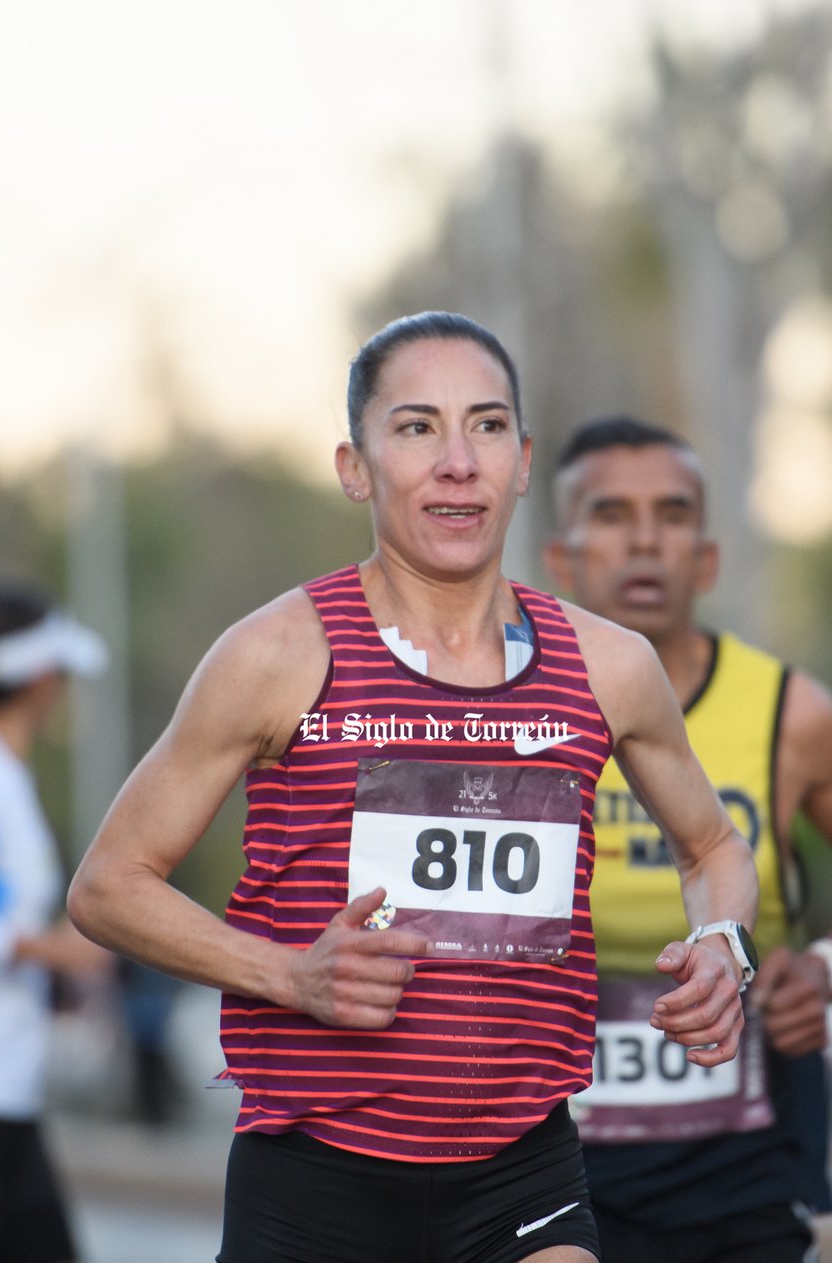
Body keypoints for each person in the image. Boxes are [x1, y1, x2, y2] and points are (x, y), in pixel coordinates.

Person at [69, 312, 760, 1263]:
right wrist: (288, 972)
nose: (456, 462)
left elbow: (713, 847)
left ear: (521, 461)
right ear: (356, 467)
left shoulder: (609, 666)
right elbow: (108, 884)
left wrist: (725, 944)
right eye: (416, 427)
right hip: (314, 1181)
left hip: (524, 1175)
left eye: (483, 426)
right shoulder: (277, 654)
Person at [545, 416, 832, 1263]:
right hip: (545, 1165)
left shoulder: (792, 713)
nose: (643, 540)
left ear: (704, 558)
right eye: (609, 514)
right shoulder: (500, 711)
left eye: (671, 515)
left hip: (745, 1161)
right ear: (561, 558)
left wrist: (822, 968)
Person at [0, 578, 110, 1263]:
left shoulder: (9, 773)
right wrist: (50, 950)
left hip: (10, 1098)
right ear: (36, 675)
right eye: (59, 671)